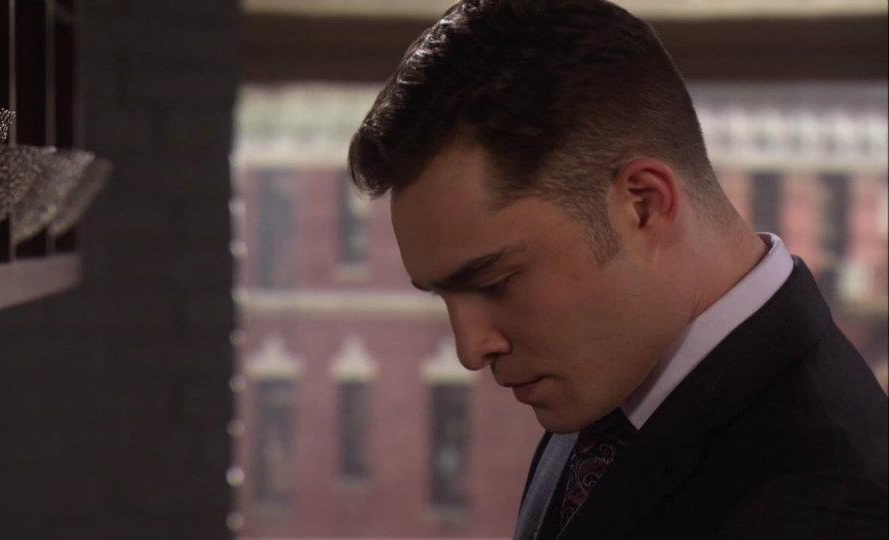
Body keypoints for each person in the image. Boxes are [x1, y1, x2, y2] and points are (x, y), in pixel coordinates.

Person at [346, 0, 888, 538]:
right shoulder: (611, 382)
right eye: (441, 295)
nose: (471, 350)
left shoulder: (832, 502)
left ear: (644, 205)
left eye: (495, 283)